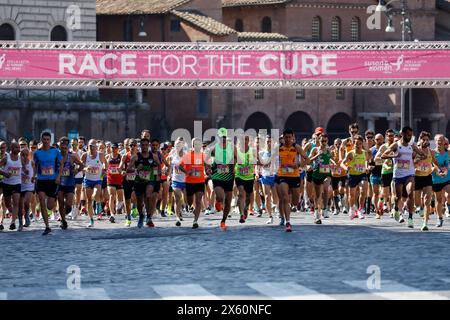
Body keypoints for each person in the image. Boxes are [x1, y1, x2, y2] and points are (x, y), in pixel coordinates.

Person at [381, 126, 425, 228]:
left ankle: (410, 218)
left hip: (409, 174)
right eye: (408, 135)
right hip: (398, 175)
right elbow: (383, 155)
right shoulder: (396, 145)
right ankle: (396, 208)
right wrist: (394, 156)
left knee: (410, 194)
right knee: (398, 197)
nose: (410, 137)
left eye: (411, 135)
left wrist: (416, 157)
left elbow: (423, 156)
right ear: (403, 134)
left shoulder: (412, 146)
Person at [276, 128, 309, 232]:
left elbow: (307, 159)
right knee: (285, 198)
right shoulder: (278, 148)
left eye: (290, 137)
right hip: (282, 175)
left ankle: (293, 206)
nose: (288, 139)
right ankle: (288, 222)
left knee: (294, 202)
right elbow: (270, 160)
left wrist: (298, 165)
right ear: (283, 137)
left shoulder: (296, 147)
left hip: (295, 176)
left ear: (292, 137)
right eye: (286, 137)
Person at [33, 132, 64, 235]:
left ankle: (52, 206)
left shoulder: (55, 151)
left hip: (53, 181)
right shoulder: (37, 153)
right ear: (41, 140)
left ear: (50, 140)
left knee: (49, 206)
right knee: (41, 201)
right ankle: (47, 226)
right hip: (41, 180)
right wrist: (34, 175)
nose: (46, 141)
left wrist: (59, 176)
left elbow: (61, 163)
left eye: (47, 139)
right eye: (44, 139)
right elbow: (35, 165)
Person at [127, 138, 161, 228]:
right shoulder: (136, 156)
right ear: (140, 146)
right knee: (139, 202)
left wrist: (158, 175)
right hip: (139, 181)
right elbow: (128, 169)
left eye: (146, 145)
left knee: (148, 194)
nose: (145, 147)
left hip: (150, 180)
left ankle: (149, 216)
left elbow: (159, 165)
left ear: (148, 146)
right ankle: (141, 216)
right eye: (143, 145)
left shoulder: (153, 156)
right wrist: (136, 169)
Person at [207, 128, 235, 231]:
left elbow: (237, 158)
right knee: (221, 196)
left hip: (229, 177)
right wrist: (208, 167)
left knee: (228, 201)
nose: (223, 139)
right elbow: (206, 158)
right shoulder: (214, 148)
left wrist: (234, 166)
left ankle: (223, 221)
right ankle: (218, 201)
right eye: (221, 137)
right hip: (217, 176)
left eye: (224, 137)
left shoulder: (232, 148)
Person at [341, 135, 371, 220]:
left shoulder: (365, 153)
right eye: (356, 144)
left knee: (363, 190)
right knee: (352, 195)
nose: (358, 145)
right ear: (354, 144)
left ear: (362, 144)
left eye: (360, 144)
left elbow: (367, 162)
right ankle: (351, 209)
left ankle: (360, 210)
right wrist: (346, 168)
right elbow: (342, 163)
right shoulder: (350, 153)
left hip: (362, 174)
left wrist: (368, 167)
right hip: (352, 175)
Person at [414, 132, 439, 231]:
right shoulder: (415, 151)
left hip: (427, 177)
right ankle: (418, 207)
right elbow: (411, 163)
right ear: (420, 140)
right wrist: (419, 159)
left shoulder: (431, 152)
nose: (425, 141)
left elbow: (435, 163)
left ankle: (425, 223)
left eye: (427, 140)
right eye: (423, 139)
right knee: (417, 201)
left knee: (427, 200)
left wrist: (439, 169)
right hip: (417, 177)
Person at [180, 138, 208, 228]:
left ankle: (195, 221)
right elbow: (180, 166)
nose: (197, 146)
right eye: (195, 144)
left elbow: (208, 165)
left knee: (199, 201)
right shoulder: (188, 156)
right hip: (189, 182)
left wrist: (208, 170)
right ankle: (191, 207)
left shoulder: (203, 155)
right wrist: (187, 172)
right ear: (192, 145)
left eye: (198, 144)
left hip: (200, 181)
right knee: (189, 201)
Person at [80, 139, 107, 228]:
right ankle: (91, 220)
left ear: (96, 146)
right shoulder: (85, 155)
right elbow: (80, 166)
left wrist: (104, 171)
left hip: (97, 180)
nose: (92, 147)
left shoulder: (101, 155)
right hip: (88, 180)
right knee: (89, 201)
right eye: (90, 145)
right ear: (88, 146)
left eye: (93, 145)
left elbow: (106, 164)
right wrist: (85, 169)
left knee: (95, 195)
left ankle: (98, 205)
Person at [58, 137, 84, 225]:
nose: (64, 149)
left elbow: (81, 165)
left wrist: (76, 171)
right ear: (59, 147)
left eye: (65, 148)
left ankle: (63, 216)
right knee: (61, 202)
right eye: (62, 147)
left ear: (67, 147)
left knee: (68, 206)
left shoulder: (72, 156)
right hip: (60, 183)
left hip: (69, 183)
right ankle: (63, 220)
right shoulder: (56, 156)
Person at [309, 133, 334, 224]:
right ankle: (316, 212)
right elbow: (309, 160)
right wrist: (317, 155)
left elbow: (329, 158)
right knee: (317, 195)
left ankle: (325, 209)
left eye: (325, 141)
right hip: (316, 173)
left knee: (326, 187)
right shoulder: (315, 149)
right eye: (322, 140)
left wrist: (333, 163)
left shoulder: (328, 150)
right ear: (319, 140)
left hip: (326, 173)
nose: (323, 142)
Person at [0, 141, 23, 231]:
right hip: (7, 183)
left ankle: (13, 222)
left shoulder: (21, 158)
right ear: (12, 148)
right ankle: (10, 211)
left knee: (16, 202)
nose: (18, 149)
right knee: (7, 203)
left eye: (19, 147)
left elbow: (26, 167)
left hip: (17, 184)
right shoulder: (6, 158)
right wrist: (5, 173)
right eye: (16, 147)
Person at [234, 135, 256, 224]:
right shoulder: (237, 151)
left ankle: (246, 207)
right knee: (241, 193)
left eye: (246, 140)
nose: (244, 141)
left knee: (248, 195)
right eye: (243, 140)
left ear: (248, 141)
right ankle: (241, 214)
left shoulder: (252, 151)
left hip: (249, 176)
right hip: (239, 175)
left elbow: (257, 160)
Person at [258, 135, 278, 224]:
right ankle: (270, 216)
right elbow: (260, 163)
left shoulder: (276, 153)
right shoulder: (261, 153)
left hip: (274, 176)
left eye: (270, 141)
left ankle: (275, 206)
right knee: (266, 196)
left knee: (275, 197)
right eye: (267, 142)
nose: (269, 143)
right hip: (265, 176)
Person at [432, 134, 450, 228]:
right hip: (436, 179)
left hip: (447, 178)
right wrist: (438, 170)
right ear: (435, 141)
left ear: (445, 142)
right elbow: (432, 165)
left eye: (442, 140)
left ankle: (448, 205)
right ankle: (439, 218)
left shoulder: (448, 152)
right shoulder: (432, 152)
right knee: (438, 200)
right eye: (438, 140)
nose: (440, 142)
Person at [106, 143, 124, 223]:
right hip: (111, 179)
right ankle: (112, 214)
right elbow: (105, 166)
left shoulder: (121, 157)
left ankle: (118, 207)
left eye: (115, 148)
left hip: (119, 180)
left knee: (120, 197)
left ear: (117, 149)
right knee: (111, 196)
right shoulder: (108, 156)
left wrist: (121, 170)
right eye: (112, 148)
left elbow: (123, 166)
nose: (113, 149)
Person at [369, 134, 385, 219]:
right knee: (375, 193)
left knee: (383, 193)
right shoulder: (371, 150)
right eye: (376, 139)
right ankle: (377, 211)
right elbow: (368, 162)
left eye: (380, 139)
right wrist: (369, 166)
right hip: (374, 174)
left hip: (384, 174)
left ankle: (381, 205)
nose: (378, 141)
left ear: (383, 139)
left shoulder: (386, 149)